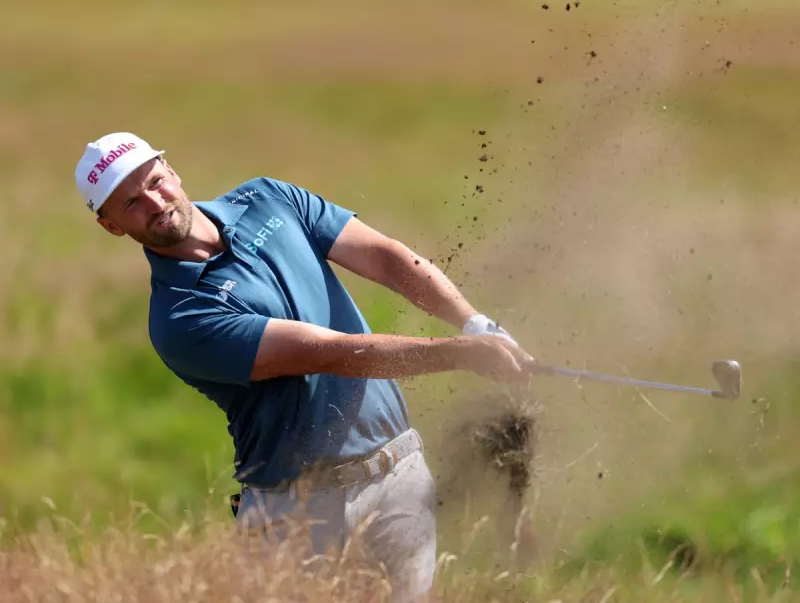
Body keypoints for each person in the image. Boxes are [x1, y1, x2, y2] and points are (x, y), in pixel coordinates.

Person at [74, 131, 537, 601]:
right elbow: (331, 353)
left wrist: (475, 324)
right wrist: (459, 355)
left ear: (171, 170)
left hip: (400, 477)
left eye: (155, 181)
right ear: (111, 226)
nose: (155, 202)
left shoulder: (268, 198)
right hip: (297, 515)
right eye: (131, 203)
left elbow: (386, 258)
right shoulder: (179, 317)